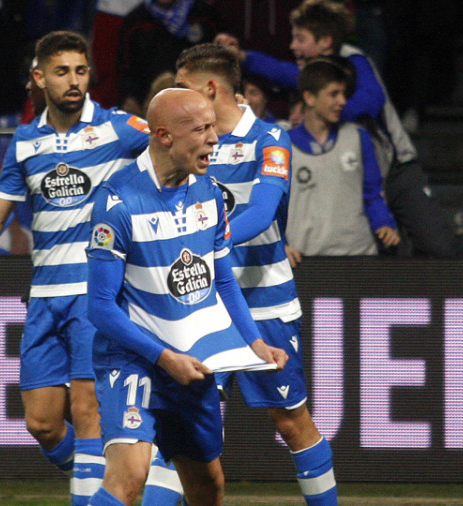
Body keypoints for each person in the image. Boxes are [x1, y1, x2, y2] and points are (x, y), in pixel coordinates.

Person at [0, 30, 150, 506]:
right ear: (39, 78)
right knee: (43, 423)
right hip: (44, 295)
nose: (74, 81)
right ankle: (105, 484)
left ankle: (94, 498)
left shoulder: (120, 128)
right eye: (62, 72)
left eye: (81, 70)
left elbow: (175, 143)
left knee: (88, 411)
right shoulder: (26, 142)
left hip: (97, 295)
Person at [85, 87, 288, 506]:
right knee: (129, 478)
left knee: (207, 486)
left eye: (214, 126)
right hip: (135, 360)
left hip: (192, 362)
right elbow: (100, 307)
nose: (215, 139)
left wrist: (255, 344)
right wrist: (164, 358)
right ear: (163, 136)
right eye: (201, 129)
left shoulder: (210, 193)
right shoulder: (118, 201)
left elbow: (224, 282)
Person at [174, 44, 338, 505]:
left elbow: (263, 210)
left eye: (183, 87)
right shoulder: (187, 143)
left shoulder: (269, 138)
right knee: (185, 429)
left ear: (210, 88)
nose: (175, 97)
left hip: (264, 301)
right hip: (202, 306)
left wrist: (206, 241)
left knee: (290, 421)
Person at [214, 0, 456, 258]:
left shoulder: (353, 61)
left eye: (300, 38)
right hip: (356, 171)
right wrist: (244, 58)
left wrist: (325, 112)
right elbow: (283, 73)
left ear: (325, 42)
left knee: (436, 244)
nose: (292, 45)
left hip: (397, 168)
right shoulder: (316, 75)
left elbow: (371, 100)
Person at [287, 57, 399, 259]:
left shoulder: (357, 137)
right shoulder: (283, 145)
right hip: (305, 258)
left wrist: (384, 223)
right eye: (333, 94)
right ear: (310, 98)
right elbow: (272, 206)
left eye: (343, 94)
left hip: (358, 254)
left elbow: (372, 193)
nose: (343, 101)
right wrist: (280, 244)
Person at [117, 0, 221, 116]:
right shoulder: (135, 20)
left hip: (201, 102)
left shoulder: (204, 15)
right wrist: (130, 98)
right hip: (150, 107)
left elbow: (219, 61)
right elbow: (125, 67)